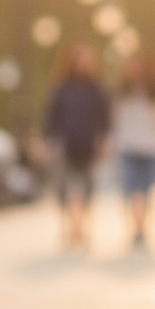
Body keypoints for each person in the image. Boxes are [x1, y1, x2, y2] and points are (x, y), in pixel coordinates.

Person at [42, 41, 110, 251]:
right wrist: (50, 141)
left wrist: (104, 140)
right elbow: (50, 117)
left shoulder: (96, 89)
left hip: (88, 146)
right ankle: (70, 227)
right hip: (66, 145)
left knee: (88, 189)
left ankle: (83, 228)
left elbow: (105, 118)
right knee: (65, 189)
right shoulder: (61, 88)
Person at [112, 49, 155, 249]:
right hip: (127, 145)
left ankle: (143, 228)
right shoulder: (121, 91)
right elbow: (114, 118)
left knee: (147, 191)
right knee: (131, 190)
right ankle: (135, 229)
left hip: (152, 146)